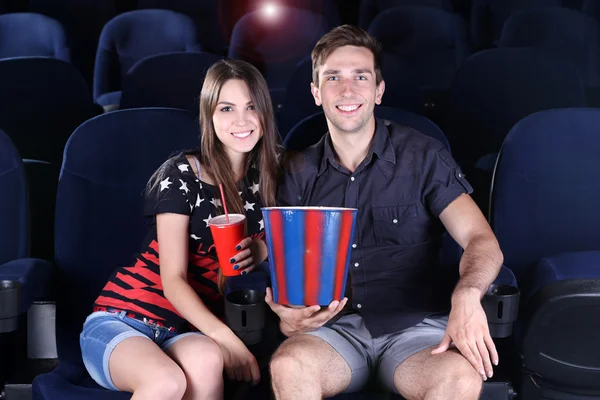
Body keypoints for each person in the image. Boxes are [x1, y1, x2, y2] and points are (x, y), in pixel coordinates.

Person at [266, 25, 504, 400]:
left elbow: (481, 240)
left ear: (378, 90)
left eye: (360, 77)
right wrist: (287, 315)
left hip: (416, 330)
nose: (347, 90)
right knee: (288, 366)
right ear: (316, 92)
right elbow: (288, 269)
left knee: (459, 377)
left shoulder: (423, 155)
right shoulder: (297, 170)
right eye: (333, 78)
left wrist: (468, 294)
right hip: (332, 330)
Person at [79, 59, 280, 400]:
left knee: (206, 359)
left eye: (251, 107)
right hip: (124, 318)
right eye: (227, 108)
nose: (242, 120)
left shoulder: (274, 177)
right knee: (168, 382)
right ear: (209, 115)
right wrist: (226, 338)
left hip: (183, 332)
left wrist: (262, 250)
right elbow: (172, 279)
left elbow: (296, 241)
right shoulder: (182, 173)